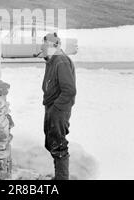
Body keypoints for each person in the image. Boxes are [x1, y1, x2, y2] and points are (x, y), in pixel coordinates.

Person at [40, 33, 77, 180]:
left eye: (45, 45)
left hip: (59, 110)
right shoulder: (52, 60)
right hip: (53, 108)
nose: (42, 47)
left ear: (53, 46)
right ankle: (59, 176)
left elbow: (69, 90)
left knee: (59, 144)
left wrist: (56, 108)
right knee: (52, 141)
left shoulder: (61, 61)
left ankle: (62, 177)